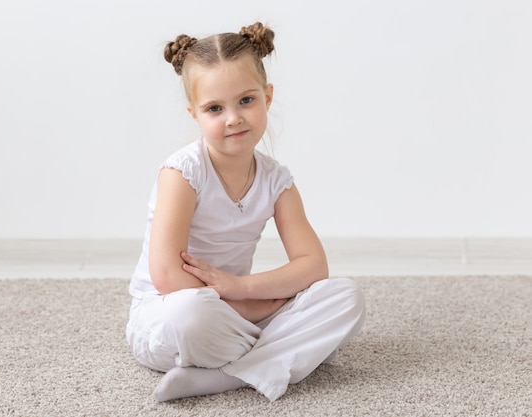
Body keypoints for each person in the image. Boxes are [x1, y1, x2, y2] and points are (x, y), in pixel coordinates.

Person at [126, 22, 365, 402]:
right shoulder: (183, 172)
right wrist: (250, 308)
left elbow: (312, 265)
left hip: (239, 306)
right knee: (191, 313)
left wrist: (242, 289)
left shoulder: (276, 179)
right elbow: (168, 275)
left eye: (246, 101)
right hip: (172, 312)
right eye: (215, 108)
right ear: (195, 114)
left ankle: (222, 377)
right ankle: (289, 352)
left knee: (346, 297)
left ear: (267, 97)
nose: (233, 118)